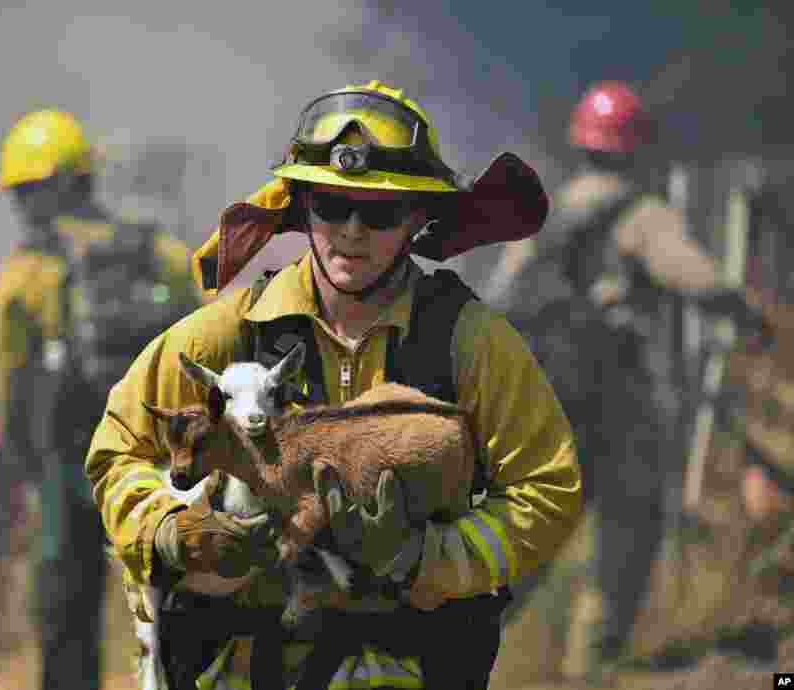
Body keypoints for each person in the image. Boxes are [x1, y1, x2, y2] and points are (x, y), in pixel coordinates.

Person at [86, 80, 582, 690]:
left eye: (378, 211)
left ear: (417, 217)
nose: (351, 230)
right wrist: (169, 531)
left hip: (412, 662)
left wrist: (430, 558)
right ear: (301, 207)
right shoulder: (231, 330)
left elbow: (548, 488)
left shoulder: (471, 342)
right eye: (330, 204)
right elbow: (118, 449)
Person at [484, 80, 772, 684]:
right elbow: (693, 277)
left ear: (581, 143)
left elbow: (502, 298)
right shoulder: (640, 213)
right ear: (636, 147)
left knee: (540, 528)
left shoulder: (550, 214)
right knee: (629, 523)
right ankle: (594, 662)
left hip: (545, 397)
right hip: (616, 397)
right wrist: (745, 311)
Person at [0, 109, 200, 690]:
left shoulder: (28, 272)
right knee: (173, 601)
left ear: (39, 192)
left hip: (68, 456)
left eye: (21, 194)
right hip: (154, 453)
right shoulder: (159, 252)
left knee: (66, 607)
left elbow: (9, 370)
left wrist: (19, 455)